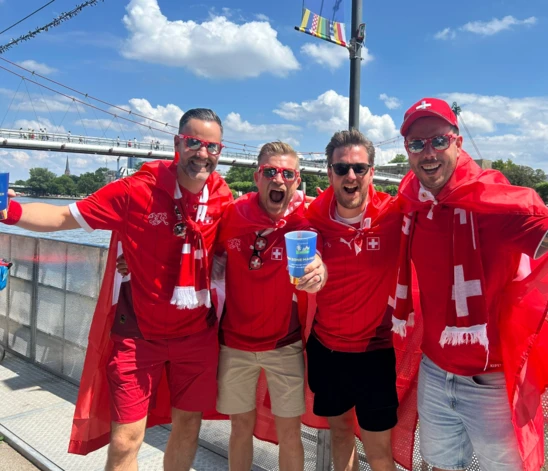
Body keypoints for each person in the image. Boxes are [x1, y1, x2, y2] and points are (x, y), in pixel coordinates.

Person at [393, 97, 548, 471]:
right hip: (434, 371)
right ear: (408, 151)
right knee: (440, 467)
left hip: (492, 383)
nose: (427, 152)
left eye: (437, 140)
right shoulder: (412, 205)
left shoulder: (495, 204)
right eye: (416, 144)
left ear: (458, 143)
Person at [2, 108, 234, 471]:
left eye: (212, 147)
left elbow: (248, 237)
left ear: (220, 151)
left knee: (188, 426)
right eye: (193, 143)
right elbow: (64, 217)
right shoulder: (135, 190)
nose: (202, 154)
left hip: (197, 336)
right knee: (126, 440)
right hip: (138, 335)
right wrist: (8, 212)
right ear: (177, 144)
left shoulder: (223, 197)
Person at [215, 141, 326, 471]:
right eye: (270, 171)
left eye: (287, 173)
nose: (278, 179)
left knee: (290, 434)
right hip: (233, 344)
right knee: (239, 430)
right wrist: (132, 260)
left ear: (296, 180)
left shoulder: (303, 220)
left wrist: (318, 269)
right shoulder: (232, 215)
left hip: (284, 345)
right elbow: (198, 248)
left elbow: (322, 254)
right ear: (257, 177)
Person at [305, 130, 407, 471]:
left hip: (373, 352)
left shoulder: (394, 214)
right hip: (327, 349)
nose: (351, 175)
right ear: (330, 172)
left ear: (372, 173)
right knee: (340, 436)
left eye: (359, 168)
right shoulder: (313, 220)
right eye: (342, 168)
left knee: (379, 450)